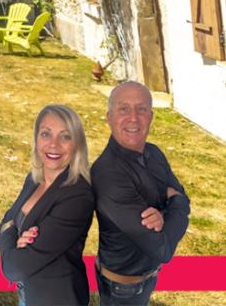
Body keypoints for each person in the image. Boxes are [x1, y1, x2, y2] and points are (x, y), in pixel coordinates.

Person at [92, 81, 189, 305]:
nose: (134, 118)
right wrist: (175, 203)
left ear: (151, 116)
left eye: (142, 109)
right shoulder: (107, 174)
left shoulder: (154, 153)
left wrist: (163, 215)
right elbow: (162, 248)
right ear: (109, 117)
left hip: (147, 277)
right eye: (123, 109)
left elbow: (183, 197)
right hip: (122, 288)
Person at [0, 104, 95, 306]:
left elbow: (15, 269)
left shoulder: (78, 197)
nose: (54, 144)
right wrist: (13, 237)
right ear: (36, 139)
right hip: (29, 294)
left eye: (65, 136)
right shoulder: (35, 178)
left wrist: (9, 239)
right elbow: (8, 219)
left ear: (77, 144)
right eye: (46, 134)